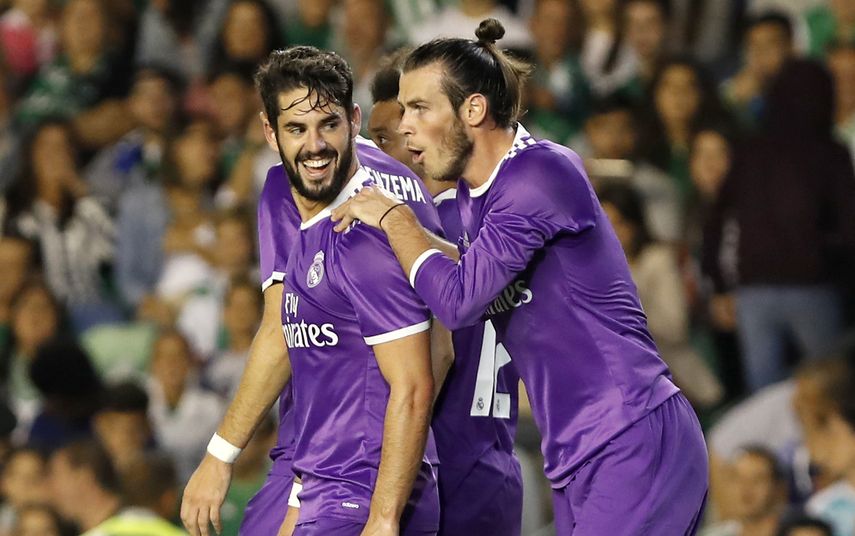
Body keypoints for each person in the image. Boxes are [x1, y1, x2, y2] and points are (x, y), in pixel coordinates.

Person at [332, 19, 709, 535]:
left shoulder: (541, 173)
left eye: (419, 108)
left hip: (631, 434)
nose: (405, 127)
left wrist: (395, 218)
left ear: (474, 109)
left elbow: (460, 299)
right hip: (578, 452)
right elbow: (466, 267)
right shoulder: (471, 198)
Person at [181, 47, 449, 536]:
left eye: (327, 125)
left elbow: (411, 380)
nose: (315, 145)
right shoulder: (350, 210)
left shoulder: (360, 233)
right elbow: (440, 349)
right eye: (296, 129)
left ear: (354, 120)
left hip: (357, 480)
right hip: (327, 469)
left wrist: (386, 507)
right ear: (269, 131)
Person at [368, 53, 523, 535]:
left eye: (377, 140)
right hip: (496, 467)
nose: (363, 156)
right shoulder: (486, 220)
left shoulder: (415, 237)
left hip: (435, 473)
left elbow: (438, 356)